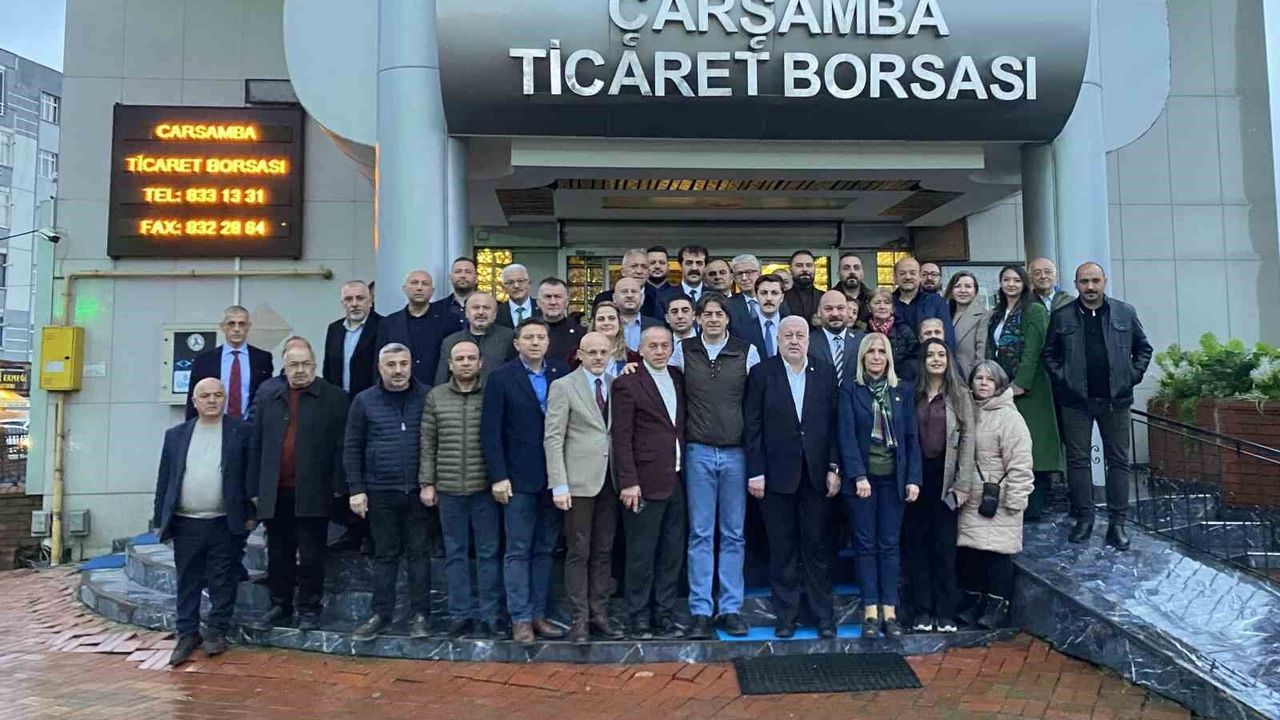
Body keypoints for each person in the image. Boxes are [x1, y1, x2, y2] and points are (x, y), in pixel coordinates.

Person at [1043, 262, 1153, 550]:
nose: (1090, 287)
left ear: (1104, 281)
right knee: (1078, 461)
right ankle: (1084, 519)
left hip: (1116, 401)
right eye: (1084, 282)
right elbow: (1049, 354)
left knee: (1118, 461)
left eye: (1095, 281)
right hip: (1075, 402)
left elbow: (1143, 348)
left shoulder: (1125, 312)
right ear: (1076, 284)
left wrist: (1131, 376)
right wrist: (1064, 379)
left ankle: (1118, 523)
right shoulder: (1062, 316)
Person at [669, 292, 759, 639]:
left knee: (734, 533)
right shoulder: (683, 350)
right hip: (698, 451)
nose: (713, 319)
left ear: (727, 318)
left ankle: (731, 608)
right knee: (700, 533)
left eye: (718, 314)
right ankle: (701, 610)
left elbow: (756, 402)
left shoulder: (746, 351)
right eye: (706, 314)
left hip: (736, 453)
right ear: (698, 318)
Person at [744, 317, 841, 638]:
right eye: (788, 335)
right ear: (778, 339)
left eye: (800, 335)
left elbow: (834, 424)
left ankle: (822, 616)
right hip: (775, 476)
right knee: (782, 548)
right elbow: (753, 425)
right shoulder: (762, 373)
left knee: (816, 547)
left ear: (809, 340)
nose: (794, 341)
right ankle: (786, 616)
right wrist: (755, 471)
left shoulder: (825, 372)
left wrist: (834, 467)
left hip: (816, 474)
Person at [247, 344, 349, 631]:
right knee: (278, 551)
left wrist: (339, 486)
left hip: (315, 490)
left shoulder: (334, 397)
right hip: (276, 490)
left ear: (315, 364)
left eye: (305, 364)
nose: (300, 370)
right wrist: (254, 487)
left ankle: (309, 609)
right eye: (294, 365)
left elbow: (343, 445)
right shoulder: (270, 397)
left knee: (312, 554)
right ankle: (280, 605)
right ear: (285, 368)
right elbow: (257, 443)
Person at [481, 318, 572, 645]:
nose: (535, 342)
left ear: (548, 342)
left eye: (540, 337)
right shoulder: (501, 378)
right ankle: (519, 617)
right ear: (516, 343)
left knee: (545, 549)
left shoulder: (561, 372)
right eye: (528, 337)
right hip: (517, 478)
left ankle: (538, 614)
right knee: (518, 549)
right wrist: (498, 476)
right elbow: (490, 431)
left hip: (555, 477)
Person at [153, 378, 252, 666]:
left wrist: (250, 514)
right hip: (186, 522)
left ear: (225, 399)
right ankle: (187, 633)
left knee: (223, 578)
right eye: (205, 396)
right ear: (194, 402)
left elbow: (250, 476)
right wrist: (160, 517)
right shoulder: (176, 435)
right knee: (188, 579)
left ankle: (217, 631)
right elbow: (165, 478)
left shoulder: (241, 432)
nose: (212, 400)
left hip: (224, 520)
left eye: (217, 395)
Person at [344, 343, 431, 641]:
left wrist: (432, 482)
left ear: (411, 365)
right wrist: (356, 489)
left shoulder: (428, 396)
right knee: (385, 555)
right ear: (380, 368)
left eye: (403, 364)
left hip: (419, 491)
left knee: (419, 555)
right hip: (380, 490)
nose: (398, 370)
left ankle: (421, 616)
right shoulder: (364, 401)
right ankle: (381, 614)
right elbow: (352, 447)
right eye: (391, 365)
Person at [838, 333, 921, 639]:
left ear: (889, 357)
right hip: (863, 482)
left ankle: (890, 610)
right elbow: (846, 436)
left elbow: (911, 438)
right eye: (870, 351)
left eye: (881, 351)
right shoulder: (850, 390)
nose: (876, 356)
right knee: (865, 545)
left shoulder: (902, 391)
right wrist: (858, 475)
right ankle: (870, 611)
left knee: (889, 545)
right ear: (862, 357)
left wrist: (913, 478)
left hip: (893, 481)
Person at [544, 332, 625, 643]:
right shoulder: (563, 386)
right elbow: (553, 437)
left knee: (604, 550)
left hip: (610, 479)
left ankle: (599, 614)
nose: (598, 357)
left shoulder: (617, 385)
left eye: (603, 352)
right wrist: (559, 483)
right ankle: (578, 619)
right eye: (592, 352)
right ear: (579, 354)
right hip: (577, 482)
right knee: (579, 551)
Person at [420, 341, 504, 639]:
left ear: (481, 363)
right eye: (460, 358)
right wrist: (427, 482)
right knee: (455, 554)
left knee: (488, 554)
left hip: (484, 489)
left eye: (471, 358)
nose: (466, 363)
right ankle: (459, 615)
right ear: (450, 364)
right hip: (449, 489)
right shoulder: (436, 396)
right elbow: (427, 442)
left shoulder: (492, 394)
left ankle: (490, 615)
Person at [610, 326, 687, 639]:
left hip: (677, 478)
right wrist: (629, 481)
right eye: (652, 346)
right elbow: (621, 436)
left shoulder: (678, 378)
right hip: (642, 482)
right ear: (640, 350)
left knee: (671, 552)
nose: (659, 351)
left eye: (664, 345)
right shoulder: (627, 383)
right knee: (641, 554)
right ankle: (638, 616)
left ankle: (663, 613)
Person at [956, 361, 1034, 629]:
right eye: (979, 378)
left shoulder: (1010, 418)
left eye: (990, 379)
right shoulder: (968, 411)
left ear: (999, 384)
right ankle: (975, 602)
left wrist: (1016, 499)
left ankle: (998, 606)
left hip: (998, 499)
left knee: (996, 556)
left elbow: (1020, 462)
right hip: (971, 498)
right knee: (972, 554)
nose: (983, 383)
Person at [904, 339, 974, 633]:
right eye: (930, 355)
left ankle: (945, 612)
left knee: (944, 548)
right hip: (916, 480)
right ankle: (922, 611)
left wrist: (963, 484)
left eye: (941, 355)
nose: (936, 359)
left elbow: (968, 439)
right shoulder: (911, 394)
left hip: (946, 480)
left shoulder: (960, 395)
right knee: (917, 546)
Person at [986, 264, 1064, 521]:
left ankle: (1034, 508)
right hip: (1002, 388)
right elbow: (992, 349)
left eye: (1016, 280)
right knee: (1010, 446)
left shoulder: (1035, 310)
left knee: (1034, 447)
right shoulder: (998, 313)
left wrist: (1020, 383)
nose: (1011, 284)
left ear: (1024, 284)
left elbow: (1034, 350)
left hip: (1030, 389)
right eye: (1006, 280)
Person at [186, 305, 274, 420]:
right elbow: (193, 399)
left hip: (251, 425)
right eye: (231, 323)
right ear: (222, 327)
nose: (236, 329)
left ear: (248, 327)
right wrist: (191, 427)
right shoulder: (204, 360)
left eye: (241, 324)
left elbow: (266, 397)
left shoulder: (262, 359)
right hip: (214, 423)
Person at [376, 270, 448, 385]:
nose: (419, 288)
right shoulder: (388, 323)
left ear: (432, 291)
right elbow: (379, 361)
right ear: (404, 289)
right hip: (399, 388)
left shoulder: (448, 321)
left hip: (437, 389)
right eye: (414, 283)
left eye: (425, 284)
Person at [435, 292, 516, 385]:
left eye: (486, 308)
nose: (481, 312)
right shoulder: (450, 341)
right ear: (466, 313)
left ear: (495, 314)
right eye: (475, 307)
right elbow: (441, 381)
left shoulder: (509, 337)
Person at [323, 280, 383, 397]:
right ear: (343, 303)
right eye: (348, 299)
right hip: (339, 399)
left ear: (370, 301)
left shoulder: (383, 326)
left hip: (372, 399)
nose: (354, 304)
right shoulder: (334, 329)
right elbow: (328, 369)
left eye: (360, 298)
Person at [892, 257, 955, 347]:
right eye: (902, 273)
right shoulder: (887, 303)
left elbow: (948, 337)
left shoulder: (935, 302)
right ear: (895, 277)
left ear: (920, 277)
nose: (908, 277)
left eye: (913, 273)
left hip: (927, 355)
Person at [809, 289, 863, 386]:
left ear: (848, 311)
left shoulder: (862, 341)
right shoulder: (808, 343)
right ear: (819, 312)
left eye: (840, 308)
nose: (835, 314)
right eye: (828, 309)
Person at [573, 301, 641, 377]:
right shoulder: (576, 357)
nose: (606, 323)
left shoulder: (633, 358)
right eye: (601, 319)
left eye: (612, 318)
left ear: (619, 323)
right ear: (594, 324)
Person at [867, 287, 920, 383]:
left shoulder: (904, 329)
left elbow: (914, 357)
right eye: (877, 303)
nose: (882, 306)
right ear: (869, 307)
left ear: (892, 308)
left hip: (900, 380)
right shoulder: (863, 331)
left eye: (887, 303)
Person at [731, 273, 789, 359]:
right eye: (763, 293)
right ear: (756, 296)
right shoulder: (741, 331)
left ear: (782, 297)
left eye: (774, 293)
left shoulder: (792, 327)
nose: (769, 298)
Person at [727, 254, 791, 328]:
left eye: (749, 272)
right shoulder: (728, 305)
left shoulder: (780, 301)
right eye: (739, 274)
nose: (744, 278)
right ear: (734, 278)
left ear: (759, 274)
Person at [593, 249, 661, 319]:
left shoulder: (659, 298)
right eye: (634, 266)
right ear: (623, 271)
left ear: (649, 272)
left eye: (644, 267)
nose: (639, 271)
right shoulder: (604, 299)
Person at [945, 271, 988, 380]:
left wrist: (976, 377)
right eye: (958, 286)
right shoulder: (945, 314)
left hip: (968, 375)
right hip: (945, 374)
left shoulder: (983, 315)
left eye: (968, 286)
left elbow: (981, 351)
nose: (963, 290)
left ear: (975, 291)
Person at [536, 277, 586, 362]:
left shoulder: (581, 334)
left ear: (567, 302)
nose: (553, 302)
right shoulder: (526, 332)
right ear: (538, 302)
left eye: (558, 297)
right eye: (548, 297)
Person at [613, 276, 662, 351]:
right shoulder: (606, 326)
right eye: (624, 291)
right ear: (614, 298)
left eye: (634, 291)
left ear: (642, 298)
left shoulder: (658, 327)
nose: (630, 295)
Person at [433, 256, 478, 331]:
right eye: (458, 271)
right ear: (450, 278)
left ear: (476, 278)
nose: (463, 276)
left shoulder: (493, 307)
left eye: (468, 272)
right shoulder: (434, 309)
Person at [783, 250, 823, 326]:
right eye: (799, 265)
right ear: (790, 269)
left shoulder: (824, 297)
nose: (805, 269)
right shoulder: (782, 298)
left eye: (809, 265)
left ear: (814, 268)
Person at [496, 263, 537, 328]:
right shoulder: (497, 312)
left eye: (520, 281)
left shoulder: (542, 307)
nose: (516, 286)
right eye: (510, 282)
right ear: (504, 288)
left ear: (529, 283)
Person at [837, 252, 874, 324]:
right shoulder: (829, 299)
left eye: (856, 268)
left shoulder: (872, 298)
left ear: (863, 273)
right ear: (838, 274)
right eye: (846, 268)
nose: (852, 271)